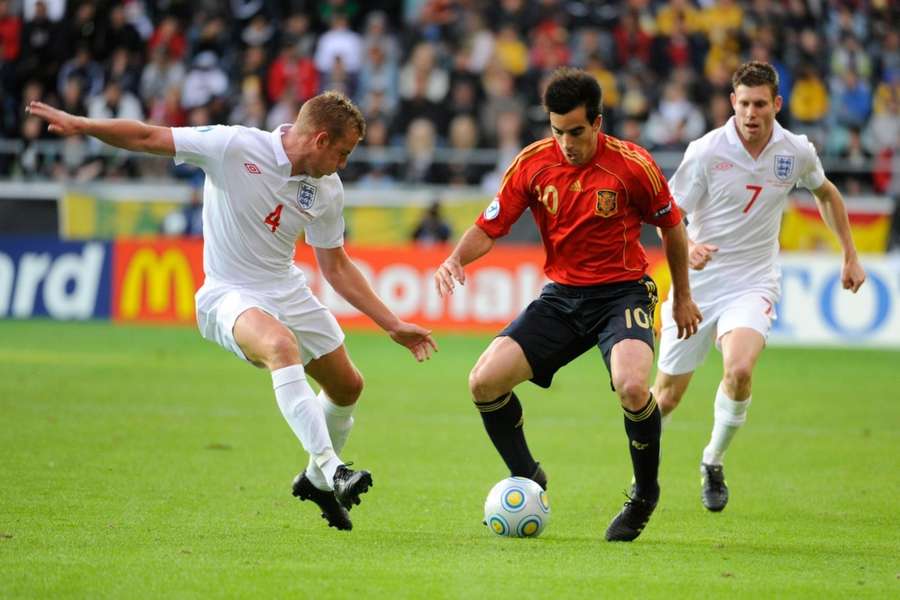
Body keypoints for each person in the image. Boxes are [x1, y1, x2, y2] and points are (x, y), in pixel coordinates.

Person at [27, 91, 437, 532]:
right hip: (229, 292)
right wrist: (82, 125)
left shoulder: (327, 189)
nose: (344, 163)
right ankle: (332, 468)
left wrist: (390, 323)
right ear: (319, 139)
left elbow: (334, 265)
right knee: (281, 347)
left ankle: (316, 482)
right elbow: (148, 135)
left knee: (348, 386)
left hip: (286, 287)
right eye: (343, 152)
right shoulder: (233, 146)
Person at [434, 68, 702, 542]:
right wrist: (456, 258)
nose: (565, 143)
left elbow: (672, 228)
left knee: (633, 386)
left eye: (575, 132)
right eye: (557, 131)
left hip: (622, 292)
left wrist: (682, 296)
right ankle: (529, 476)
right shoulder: (533, 163)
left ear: (597, 122)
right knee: (483, 382)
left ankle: (644, 494)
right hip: (561, 297)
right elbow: (490, 226)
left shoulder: (633, 165)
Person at [651, 61, 866, 513]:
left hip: (753, 281)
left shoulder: (795, 150)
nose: (751, 113)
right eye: (744, 103)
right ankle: (643, 478)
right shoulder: (707, 151)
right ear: (733, 102)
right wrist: (686, 245)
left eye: (760, 104)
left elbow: (826, 193)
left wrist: (849, 252)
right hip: (699, 284)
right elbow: (665, 214)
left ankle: (713, 459)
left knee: (740, 370)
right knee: (666, 396)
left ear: (777, 104)